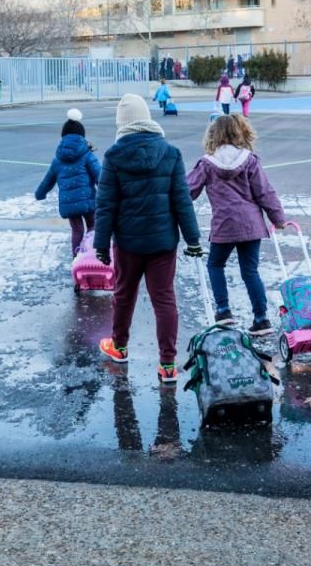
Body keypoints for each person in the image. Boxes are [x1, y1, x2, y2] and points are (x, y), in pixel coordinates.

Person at [94, 94, 204, 385]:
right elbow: (182, 200)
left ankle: (119, 347)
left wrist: (101, 245)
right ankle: (167, 364)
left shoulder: (114, 156)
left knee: (123, 295)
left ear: (123, 123)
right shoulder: (170, 153)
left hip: (128, 243)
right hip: (163, 242)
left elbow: (106, 204)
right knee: (164, 299)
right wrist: (193, 239)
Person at [187, 115, 286, 336]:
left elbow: (188, 191)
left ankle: (223, 311)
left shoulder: (207, 164)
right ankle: (261, 319)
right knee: (250, 270)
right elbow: (265, 191)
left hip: (224, 224)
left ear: (213, 134)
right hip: (251, 224)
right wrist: (278, 218)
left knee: (216, 264)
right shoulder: (250, 160)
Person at [35, 109, 102, 256]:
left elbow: (48, 180)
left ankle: (76, 258)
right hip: (88, 202)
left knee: (77, 230)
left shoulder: (57, 160)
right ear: (82, 136)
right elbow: (99, 175)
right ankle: (91, 255)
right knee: (93, 226)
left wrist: (40, 194)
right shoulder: (87, 155)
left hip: (68, 203)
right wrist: (108, 190)